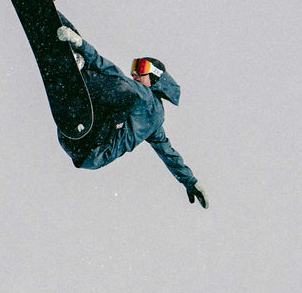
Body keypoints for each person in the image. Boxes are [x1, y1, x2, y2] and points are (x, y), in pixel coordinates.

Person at [55, 24, 208, 208]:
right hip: (83, 149)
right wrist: (190, 182)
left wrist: (80, 43)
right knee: (111, 83)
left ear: (155, 77)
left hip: (91, 142)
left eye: (141, 67)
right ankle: (61, 27)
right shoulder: (156, 124)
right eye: (135, 65)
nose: (134, 72)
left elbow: (111, 70)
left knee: (119, 85)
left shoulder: (145, 97)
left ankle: (79, 71)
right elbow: (169, 155)